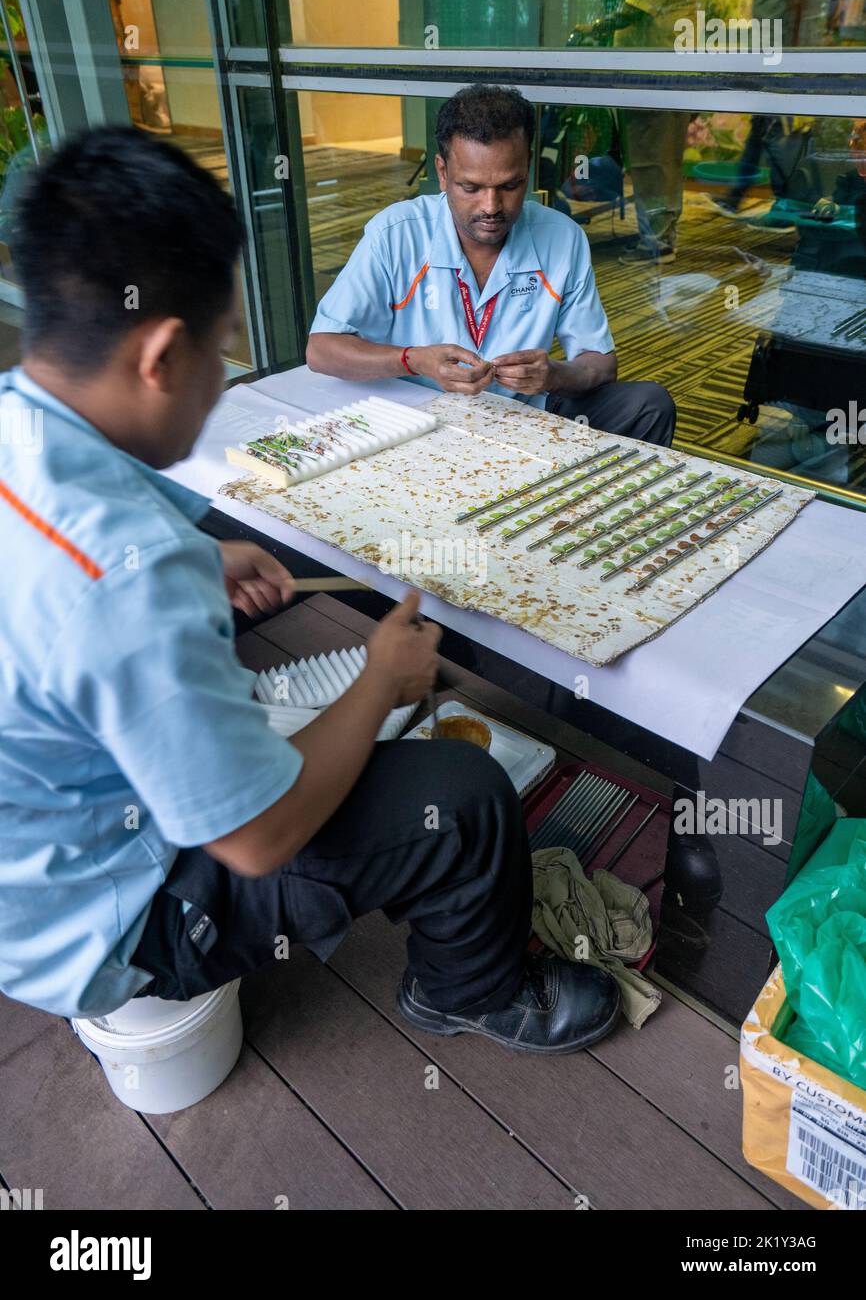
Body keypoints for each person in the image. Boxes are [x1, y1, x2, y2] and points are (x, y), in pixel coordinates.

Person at [0, 126, 620, 1055]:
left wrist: (201, 563)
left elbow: (61, 605)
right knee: (464, 794)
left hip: (35, 865)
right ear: (159, 355)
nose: (221, 382)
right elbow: (257, 840)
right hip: (112, 925)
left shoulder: (19, 423)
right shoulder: (125, 574)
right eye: (219, 353)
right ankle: (472, 993)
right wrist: (383, 679)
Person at [307, 84, 675, 447]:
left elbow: (601, 364)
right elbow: (321, 350)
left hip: (525, 415)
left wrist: (554, 374)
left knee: (649, 405)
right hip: (418, 421)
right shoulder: (395, 234)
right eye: (471, 187)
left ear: (528, 168)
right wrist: (415, 360)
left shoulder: (563, 238)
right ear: (442, 172)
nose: (491, 206)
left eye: (510, 186)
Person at [572, 0, 708, 264]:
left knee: (651, 159)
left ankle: (656, 243)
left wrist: (595, 28)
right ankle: (661, 237)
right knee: (662, 158)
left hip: (654, 74)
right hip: (669, 70)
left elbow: (638, 7)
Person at [713, 0, 841, 220]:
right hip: (776, 39)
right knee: (764, 120)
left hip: (778, 41)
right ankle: (739, 195)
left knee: (775, 124)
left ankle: (798, 203)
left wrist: (791, 50)